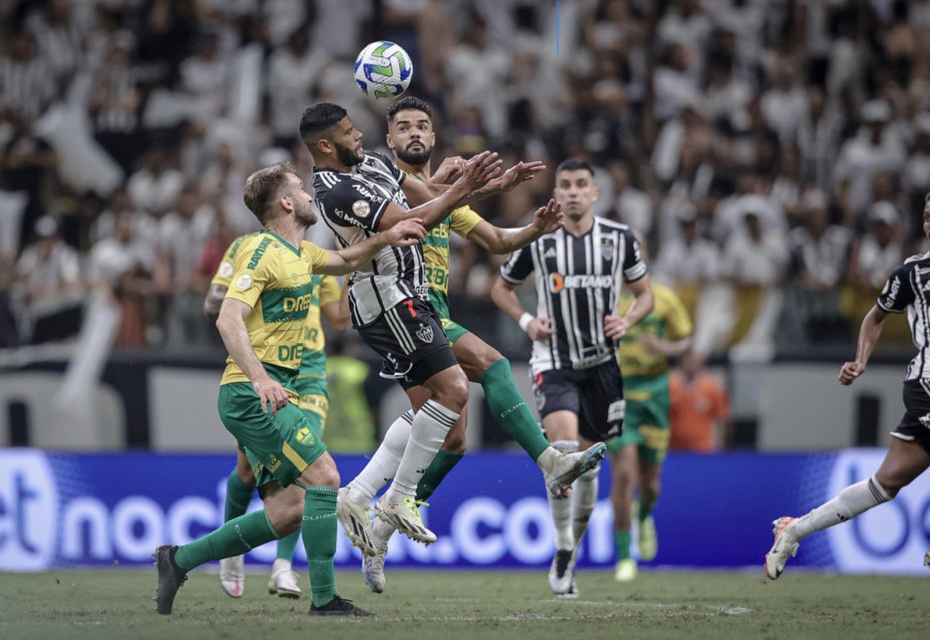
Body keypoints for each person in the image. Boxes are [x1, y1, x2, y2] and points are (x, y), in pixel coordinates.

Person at [338, 97, 607, 593]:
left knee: (454, 439)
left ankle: (377, 526)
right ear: (389, 139)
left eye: (423, 125)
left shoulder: (443, 199)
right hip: (403, 310)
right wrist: (479, 185)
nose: (414, 133)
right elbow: (420, 201)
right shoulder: (380, 182)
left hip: (425, 318)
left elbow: (499, 241)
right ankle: (550, 463)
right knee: (496, 365)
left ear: (435, 139)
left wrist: (534, 228)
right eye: (404, 127)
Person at [152, 162, 427, 617]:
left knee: (290, 510)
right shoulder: (261, 252)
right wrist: (261, 378)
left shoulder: (299, 252)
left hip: (273, 391)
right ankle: (324, 598)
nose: (307, 193)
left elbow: (342, 261)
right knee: (326, 478)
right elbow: (226, 316)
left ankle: (178, 560)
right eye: (300, 188)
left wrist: (385, 238)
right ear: (284, 202)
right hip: (250, 392)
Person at [300, 101, 539, 552]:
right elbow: (410, 219)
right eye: (350, 133)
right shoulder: (333, 191)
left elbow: (429, 198)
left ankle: (363, 494)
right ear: (327, 145)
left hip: (410, 300)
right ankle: (397, 498)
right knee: (458, 389)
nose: (360, 138)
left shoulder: (370, 163)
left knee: (444, 419)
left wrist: (490, 186)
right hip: (387, 300)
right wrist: (463, 184)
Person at [491, 159, 655, 597]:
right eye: (565, 185)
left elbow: (645, 295)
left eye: (582, 184)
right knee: (563, 451)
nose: (574, 192)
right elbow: (500, 288)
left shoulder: (619, 240)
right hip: (554, 360)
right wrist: (527, 322)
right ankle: (562, 548)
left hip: (603, 365)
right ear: (557, 192)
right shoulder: (540, 237)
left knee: (587, 465)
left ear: (596, 192)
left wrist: (627, 320)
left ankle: (570, 549)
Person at [765, 188, 930, 580]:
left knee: (885, 483)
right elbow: (875, 317)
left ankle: (794, 529)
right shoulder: (913, 272)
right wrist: (860, 361)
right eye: (928, 217)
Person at [204, 233, 349, 600]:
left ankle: (283, 567)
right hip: (262, 369)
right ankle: (231, 552)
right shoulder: (246, 248)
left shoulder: (318, 257)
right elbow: (212, 305)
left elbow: (340, 319)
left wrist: (356, 277)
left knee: (308, 468)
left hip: (310, 372)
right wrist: (254, 295)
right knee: (247, 471)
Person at [607, 231, 693, 582]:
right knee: (625, 473)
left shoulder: (664, 298)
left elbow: (685, 341)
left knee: (652, 482)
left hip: (655, 395)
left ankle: (644, 517)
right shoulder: (606, 298)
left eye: (635, 249)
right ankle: (624, 557)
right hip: (620, 394)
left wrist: (664, 349)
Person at [668, 349, 732, 452]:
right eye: (686, 359)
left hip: (702, 448)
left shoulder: (712, 386)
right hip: (674, 448)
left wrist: (720, 446)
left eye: (693, 359)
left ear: (701, 361)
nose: (690, 363)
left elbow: (721, 418)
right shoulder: (670, 384)